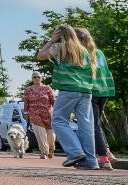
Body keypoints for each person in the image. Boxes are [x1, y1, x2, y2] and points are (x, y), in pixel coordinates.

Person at [35, 24, 98, 170]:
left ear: (59, 35)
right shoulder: (83, 50)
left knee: (58, 121)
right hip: (86, 91)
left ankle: (75, 152)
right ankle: (91, 161)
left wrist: (51, 41)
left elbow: (40, 56)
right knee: (86, 126)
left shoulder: (59, 47)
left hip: (69, 89)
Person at [78, 28, 117, 169]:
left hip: (92, 92)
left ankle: (104, 159)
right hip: (105, 91)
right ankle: (107, 152)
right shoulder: (99, 53)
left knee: (93, 127)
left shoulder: (82, 53)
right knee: (97, 125)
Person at [22, 72, 56, 160]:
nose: (36, 78)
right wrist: (26, 114)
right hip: (34, 114)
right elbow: (26, 102)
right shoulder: (28, 90)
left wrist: (57, 112)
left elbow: (53, 100)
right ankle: (44, 152)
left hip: (48, 114)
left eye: (38, 77)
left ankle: (51, 149)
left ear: (41, 78)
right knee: (40, 133)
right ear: (32, 79)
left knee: (50, 134)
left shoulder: (47, 88)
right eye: (34, 77)